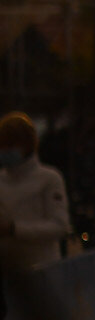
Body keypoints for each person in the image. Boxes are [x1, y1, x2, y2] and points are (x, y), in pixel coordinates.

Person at [0, 113, 73, 268]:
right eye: (2, 145)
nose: (4, 150)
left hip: (43, 272)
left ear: (27, 145)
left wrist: (14, 229)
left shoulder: (49, 178)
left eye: (10, 145)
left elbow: (60, 226)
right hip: (9, 274)